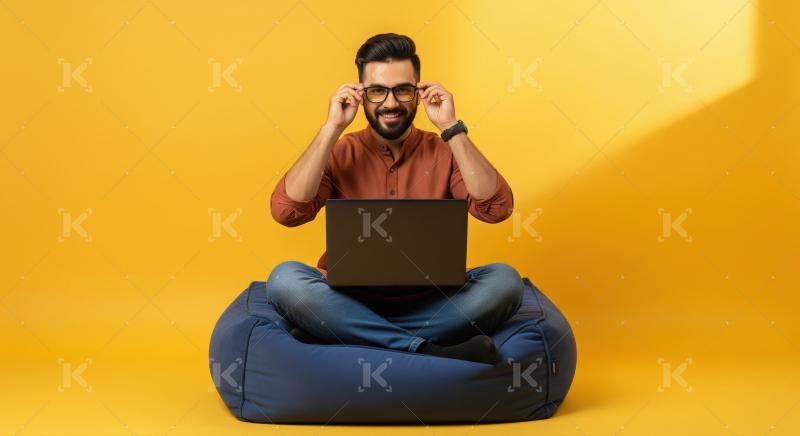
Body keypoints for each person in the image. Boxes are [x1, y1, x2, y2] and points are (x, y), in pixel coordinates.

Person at [265, 33, 523, 364]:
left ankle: (345, 333)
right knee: (284, 280)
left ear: (418, 93)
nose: (390, 103)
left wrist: (451, 126)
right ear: (361, 94)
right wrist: (331, 128)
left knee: (505, 282)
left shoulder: (446, 150)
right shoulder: (339, 151)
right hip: (348, 298)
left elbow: (497, 208)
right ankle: (424, 348)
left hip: (434, 302)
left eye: (402, 90)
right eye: (377, 91)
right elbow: (287, 211)